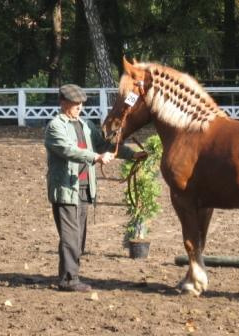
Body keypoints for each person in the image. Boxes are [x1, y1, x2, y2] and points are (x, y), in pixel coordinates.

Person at [45, 84, 147, 292]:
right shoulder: (55, 126)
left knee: (79, 237)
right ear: (63, 103)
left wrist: (131, 154)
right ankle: (68, 280)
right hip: (66, 188)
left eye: (81, 103)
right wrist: (96, 158)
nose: (79, 107)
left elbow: (104, 145)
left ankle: (71, 275)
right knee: (70, 236)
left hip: (84, 187)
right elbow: (68, 150)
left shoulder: (85, 125)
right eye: (75, 103)